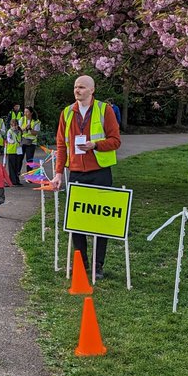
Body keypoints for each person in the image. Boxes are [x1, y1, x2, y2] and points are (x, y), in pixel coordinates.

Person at [50, 75, 121, 280]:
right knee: (76, 221)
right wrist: (57, 174)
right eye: (75, 87)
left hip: (100, 171)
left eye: (81, 87)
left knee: (101, 221)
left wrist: (95, 144)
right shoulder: (66, 112)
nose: (77, 90)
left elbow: (115, 141)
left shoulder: (104, 110)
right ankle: (81, 262)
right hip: (76, 173)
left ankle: (98, 265)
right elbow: (61, 145)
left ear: (92, 90)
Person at [5, 116, 23, 186]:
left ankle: (17, 179)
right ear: (11, 126)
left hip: (18, 150)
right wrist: (12, 141)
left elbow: (20, 139)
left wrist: (20, 143)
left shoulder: (19, 132)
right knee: (12, 166)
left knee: (17, 166)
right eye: (13, 125)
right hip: (11, 150)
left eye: (15, 125)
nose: (14, 127)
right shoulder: (9, 131)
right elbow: (8, 139)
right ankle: (12, 180)